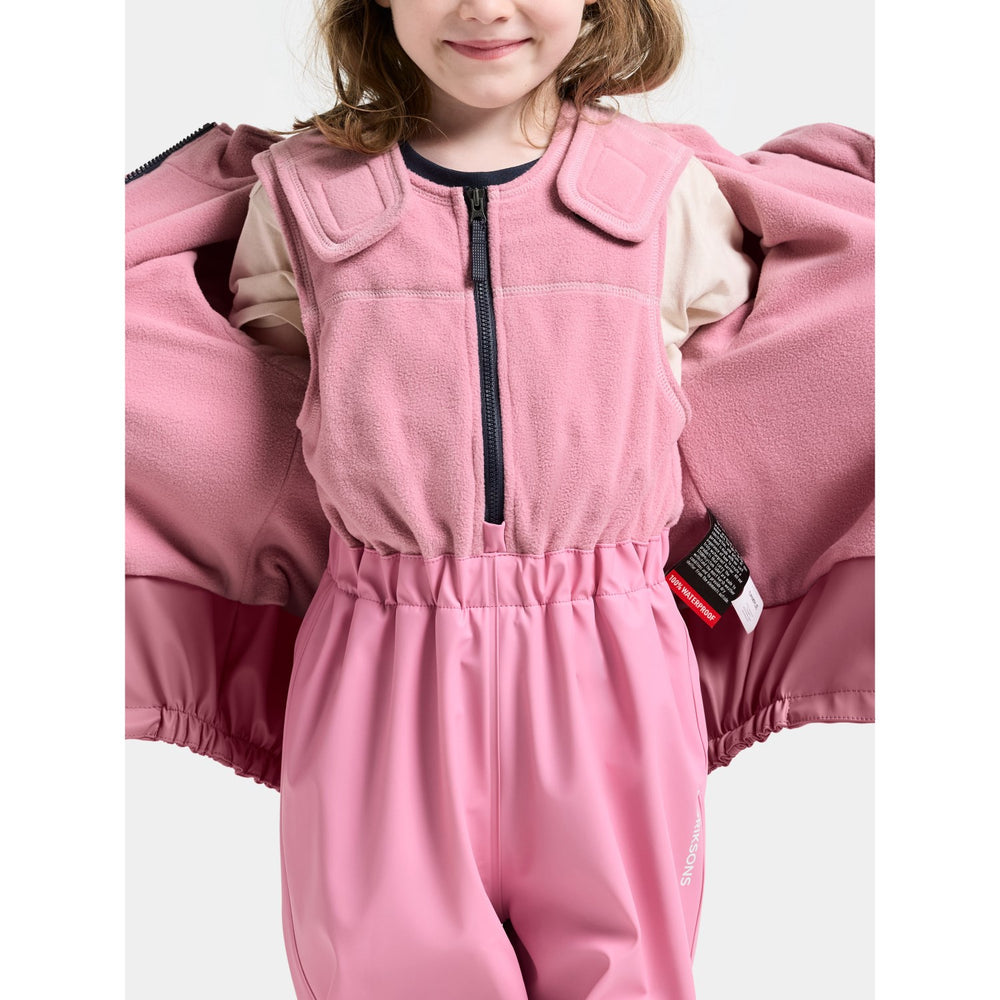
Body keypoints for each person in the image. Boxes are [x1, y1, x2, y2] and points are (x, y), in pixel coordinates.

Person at [221, 1, 755, 997]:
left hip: (614, 664)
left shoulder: (663, 193)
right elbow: (254, 435)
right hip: (381, 667)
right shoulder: (301, 199)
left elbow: (740, 432)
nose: (483, 5)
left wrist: (722, 587)